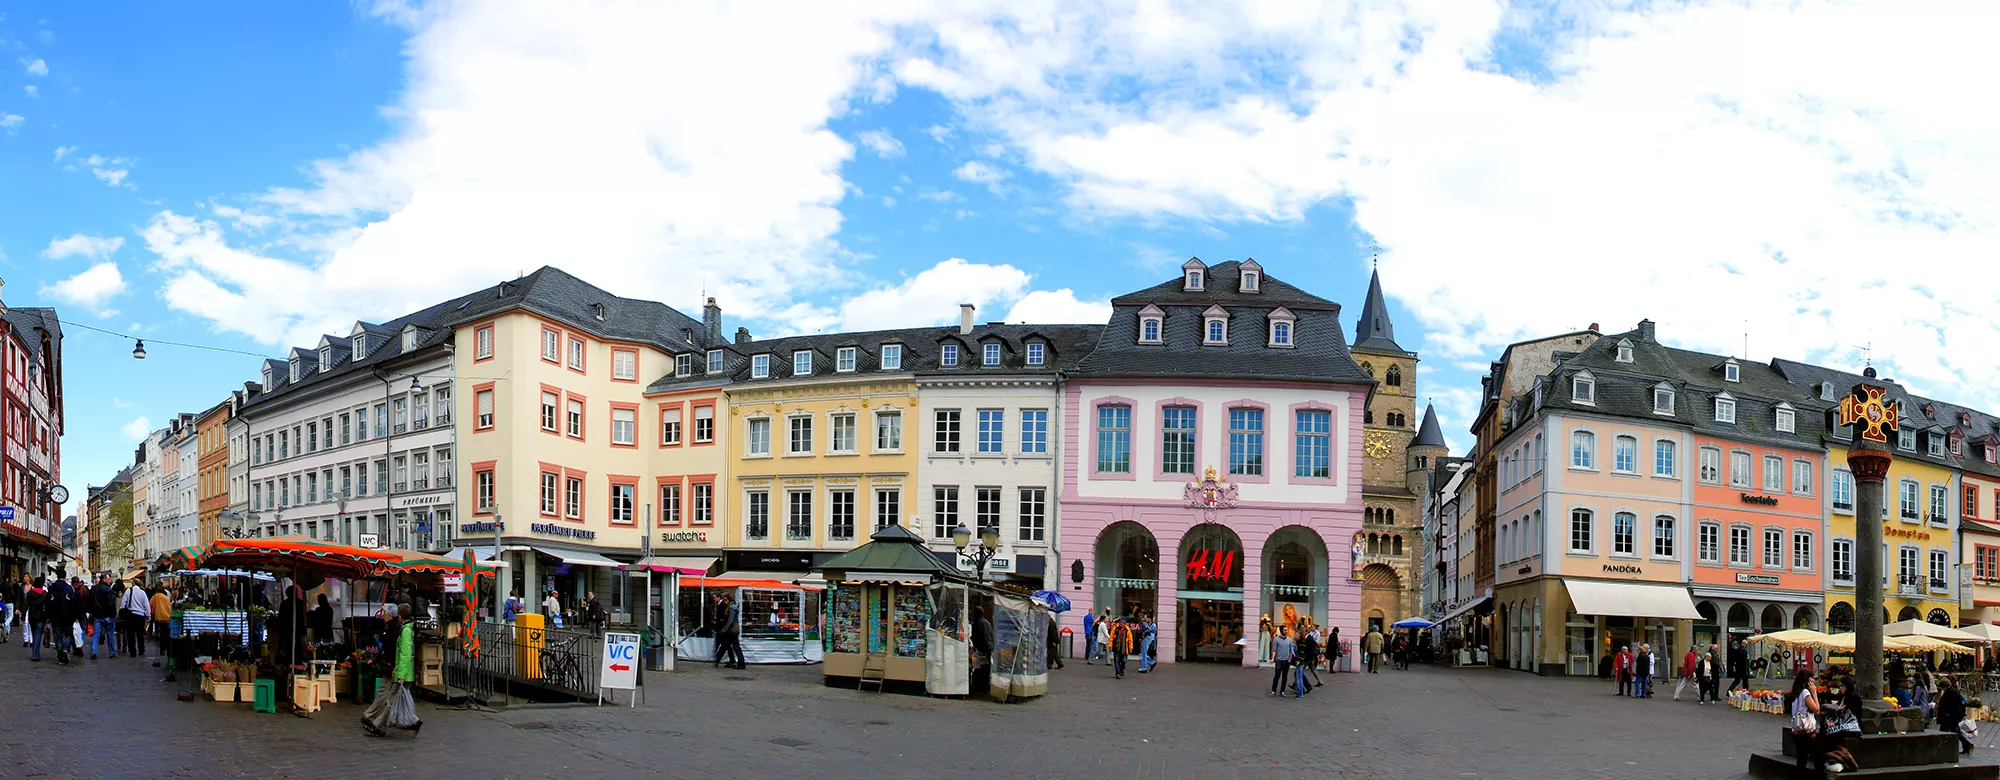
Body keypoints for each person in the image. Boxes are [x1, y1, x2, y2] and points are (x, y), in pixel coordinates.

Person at [361, 603, 423, 737]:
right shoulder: (406, 628)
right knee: (399, 699)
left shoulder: (405, 631)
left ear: (399, 616)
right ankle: (414, 720)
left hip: (402, 672)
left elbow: (405, 654)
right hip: (403, 671)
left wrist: (400, 674)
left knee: (391, 700)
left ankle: (379, 726)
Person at [1786, 669, 1824, 776]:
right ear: (1806, 680)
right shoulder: (1805, 693)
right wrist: (1814, 693)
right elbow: (1816, 710)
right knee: (1818, 758)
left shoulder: (1795, 693)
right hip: (1806, 732)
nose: (1813, 681)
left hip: (1796, 731)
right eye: (1811, 678)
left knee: (1801, 759)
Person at [46, 574, 77, 665]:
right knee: (68, 634)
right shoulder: (69, 588)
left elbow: (48, 602)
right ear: (65, 577)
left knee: (58, 636)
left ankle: (60, 654)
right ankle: (65, 649)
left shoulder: (52, 588)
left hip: (55, 616)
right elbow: (74, 603)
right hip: (67, 616)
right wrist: (74, 616)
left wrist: (49, 616)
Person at [1939, 675, 1973, 755]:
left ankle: (1967, 745)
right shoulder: (1953, 691)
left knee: (1953, 732)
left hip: (1951, 716)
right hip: (1953, 716)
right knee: (1955, 731)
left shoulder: (1950, 692)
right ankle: (1966, 746)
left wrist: (1948, 714)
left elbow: (1951, 705)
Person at [87, 574, 116, 659]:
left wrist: (92, 612)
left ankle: (94, 652)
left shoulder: (94, 589)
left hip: (97, 615)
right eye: (108, 579)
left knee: (96, 634)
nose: (110, 580)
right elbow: (111, 603)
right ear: (104, 580)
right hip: (107, 615)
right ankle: (112, 653)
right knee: (110, 634)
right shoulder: (108, 590)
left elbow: (90, 601)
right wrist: (113, 614)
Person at [120, 579, 149, 658]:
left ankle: (132, 652)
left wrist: (122, 611)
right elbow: (146, 606)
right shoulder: (142, 593)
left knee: (131, 634)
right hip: (140, 615)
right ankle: (141, 650)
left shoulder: (128, 591)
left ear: (133, 584)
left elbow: (123, 603)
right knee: (140, 634)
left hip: (131, 615)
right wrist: (148, 616)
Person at [713, 594, 744, 669]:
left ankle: (740, 663)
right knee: (731, 646)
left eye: (725, 600)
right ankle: (737, 662)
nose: (724, 602)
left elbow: (730, 621)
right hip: (732, 631)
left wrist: (724, 630)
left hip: (731, 631)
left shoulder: (731, 608)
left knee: (728, 646)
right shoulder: (731, 607)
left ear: (728, 600)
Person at [150, 584, 173, 671]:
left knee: (159, 633)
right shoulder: (165, 597)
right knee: (165, 633)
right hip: (166, 617)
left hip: (158, 617)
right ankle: (165, 648)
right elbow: (169, 607)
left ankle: (161, 649)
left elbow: (151, 606)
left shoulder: (155, 597)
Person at [22, 576, 46, 662]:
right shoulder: (45, 594)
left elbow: (25, 605)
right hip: (41, 617)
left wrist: (23, 615)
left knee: (34, 633)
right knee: (38, 635)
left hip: (32, 616)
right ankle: (35, 654)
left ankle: (35, 653)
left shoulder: (30, 593)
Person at [1268, 625, 1296, 697]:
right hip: (1279, 660)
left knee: (1285, 676)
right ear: (1281, 631)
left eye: (1287, 630)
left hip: (1286, 660)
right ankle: (1274, 690)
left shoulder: (1289, 640)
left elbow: (1290, 650)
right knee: (1277, 675)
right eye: (1285, 630)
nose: (1286, 631)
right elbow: (1274, 650)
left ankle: (1282, 691)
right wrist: (1273, 658)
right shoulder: (1276, 640)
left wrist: (1290, 659)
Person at [972, 605, 995, 688]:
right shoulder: (987, 622)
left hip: (982, 647)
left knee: (980, 665)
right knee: (986, 665)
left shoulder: (977, 622)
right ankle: (985, 683)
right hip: (988, 647)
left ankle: (980, 684)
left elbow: (976, 635)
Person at [1295, 624, 1320, 694]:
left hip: (1307, 657)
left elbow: (1311, 649)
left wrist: (1312, 658)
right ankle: (1304, 686)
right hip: (1307, 657)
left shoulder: (1309, 638)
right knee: (1310, 670)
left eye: (1302, 631)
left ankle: (1300, 688)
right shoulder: (1305, 638)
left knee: (1299, 672)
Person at [1107, 614, 1133, 680]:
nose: (1121, 624)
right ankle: (1118, 673)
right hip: (1117, 647)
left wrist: (1130, 648)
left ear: (1124, 624)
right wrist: (1110, 646)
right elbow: (1111, 638)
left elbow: (1130, 640)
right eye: (1120, 622)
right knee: (1117, 661)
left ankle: (1121, 670)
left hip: (1124, 648)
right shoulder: (1115, 629)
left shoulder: (1127, 630)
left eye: (1122, 623)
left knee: (1124, 661)